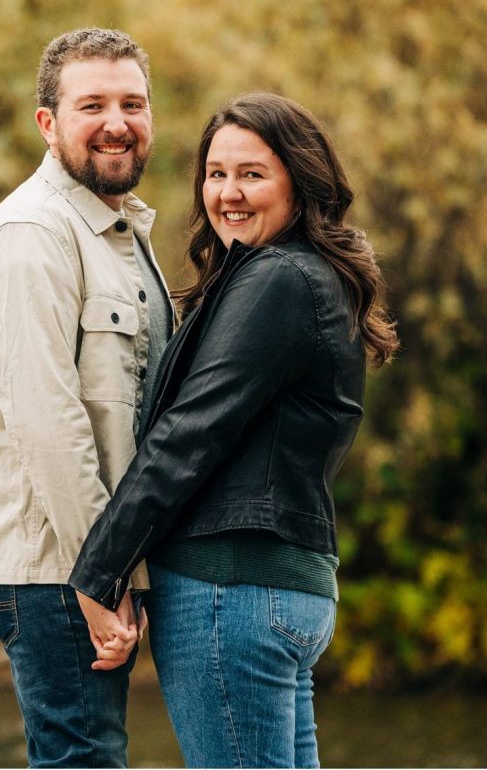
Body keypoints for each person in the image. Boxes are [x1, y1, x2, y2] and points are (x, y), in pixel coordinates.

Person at [70, 92, 399, 768]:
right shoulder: (306, 276)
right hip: (282, 592)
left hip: (229, 595)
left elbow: (190, 434)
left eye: (252, 174)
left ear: (300, 182)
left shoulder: (278, 279)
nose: (229, 193)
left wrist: (98, 571)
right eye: (216, 175)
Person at [0, 27, 173, 768]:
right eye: (93, 105)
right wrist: (99, 574)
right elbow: (46, 423)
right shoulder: (32, 233)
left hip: (92, 559)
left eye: (133, 103)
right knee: (82, 759)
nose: (118, 122)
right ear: (48, 123)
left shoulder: (120, 232)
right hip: (57, 567)